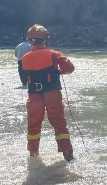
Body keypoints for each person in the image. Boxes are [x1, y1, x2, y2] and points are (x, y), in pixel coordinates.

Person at [22, 24, 76, 162]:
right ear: (45, 40)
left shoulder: (25, 58)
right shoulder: (53, 54)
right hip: (52, 94)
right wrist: (58, 71)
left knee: (33, 126)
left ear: (30, 40)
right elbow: (70, 68)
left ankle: (33, 154)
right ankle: (67, 155)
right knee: (59, 124)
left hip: (34, 96)